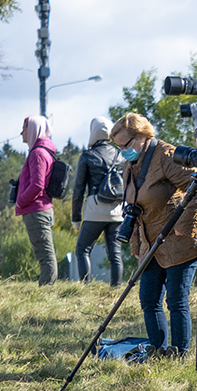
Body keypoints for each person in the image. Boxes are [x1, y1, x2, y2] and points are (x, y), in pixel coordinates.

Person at [110, 112, 197, 358]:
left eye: (125, 145)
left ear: (141, 136)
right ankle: (159, 350)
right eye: (118, 147)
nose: (123, 152)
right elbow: (133, 208)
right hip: (150, 242)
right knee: (149, 299)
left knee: (176, 300)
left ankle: (181, 353)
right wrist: (137, 247)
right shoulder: (131, 163)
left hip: (177, 239)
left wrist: (184, 227)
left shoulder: (166, 154)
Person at [71, 117, 125, 286]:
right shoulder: (120, 154)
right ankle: (116, 288)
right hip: (117, 210)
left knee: (82, 250)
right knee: (115, 254)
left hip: (95, 209)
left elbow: (79, 189)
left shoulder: (88, 156)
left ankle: (86, 287)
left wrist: (76, 218)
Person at [15, 115, 59, 286]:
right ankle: (47, 290)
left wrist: (20, 202)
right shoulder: (42, 151)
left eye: (24, 129)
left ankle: (46, 291)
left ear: (33, 129)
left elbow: (37, 185)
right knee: (45, 254)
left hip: (36, 210)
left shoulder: (37, 153)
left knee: (45, 255)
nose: (21, 133)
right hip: (41, 209)